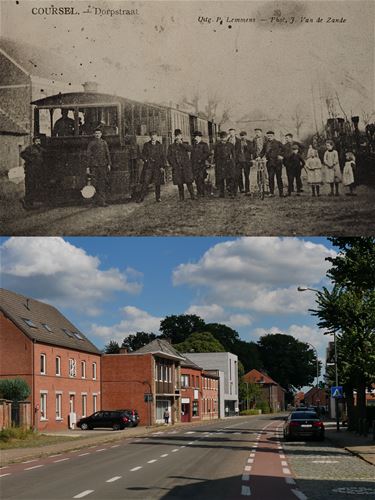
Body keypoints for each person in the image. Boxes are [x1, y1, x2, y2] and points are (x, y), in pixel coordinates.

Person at [167, 129, 195, 201]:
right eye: (176, 135)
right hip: (177, 167)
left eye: (179, 135)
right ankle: (181, 197)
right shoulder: (171, 146)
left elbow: (191, 149)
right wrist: (174, 164)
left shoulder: (185, 144)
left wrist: (181, 143)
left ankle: (193, 196)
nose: (178, 137)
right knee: (180, 183)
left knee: (189, 182)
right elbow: (169, 156)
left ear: (181, 136)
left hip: (186, 167)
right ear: (175, 136)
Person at [86, 128, 111, 207]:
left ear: (101, 134)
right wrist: (87, 167)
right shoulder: (91, 143)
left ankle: (102, 201)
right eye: (96, 133)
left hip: (103, 165)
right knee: (94, 183)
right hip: (94, 166)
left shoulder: (104, 143)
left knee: (102, 183)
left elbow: (107, 154)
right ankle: (93, 202)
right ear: (94, 134)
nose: (97, 134)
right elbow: (88, 155)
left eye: (99, 133)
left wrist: (109, 164)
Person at [20, 136, 46, 209]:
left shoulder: (40, 149)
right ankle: (27, 201)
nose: (38, 143)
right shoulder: (30, 148)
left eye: (39, 141)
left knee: (34, 185)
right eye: (37, 141)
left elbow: (46, 153)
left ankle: (31, 202)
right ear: (34, 142)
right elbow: (22, 154)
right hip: (30, 170)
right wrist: (30, 159)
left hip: (37, 170)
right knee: (30, 185)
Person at [139, 131, 165, 202]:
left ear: (156, 136)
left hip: (157, 166)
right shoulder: (146, 145)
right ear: (150, 137)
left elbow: (162, 157)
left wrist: (162, 166)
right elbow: (142, 155)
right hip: (149, 167)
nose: (153, 137)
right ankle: (141, 198)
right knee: (145, 182)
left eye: (154, 135)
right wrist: (146, 160)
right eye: (152, 136)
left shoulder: (160, 145)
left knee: (157, 183)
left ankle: (158, 198)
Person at [260, 131, 284, 197]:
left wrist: (281, 155)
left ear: (273, 136)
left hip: (277, 163)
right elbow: (262, 152)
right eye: (268, 136)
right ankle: (271, 192)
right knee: (270, 178)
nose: (269, 137)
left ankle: (281, 193)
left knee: (279, 177)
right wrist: (259, 157)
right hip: (270, 164)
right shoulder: (266, 144)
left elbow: (284, 150)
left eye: (270, 136)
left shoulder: (278, 143)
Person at [213, 131, 236, 197]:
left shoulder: (230, 145)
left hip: (229, 163)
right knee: (221, 178)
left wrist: (233, 162)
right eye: (222, 138)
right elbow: (215, 155)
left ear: (226, 137)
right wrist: (215, 163)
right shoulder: (217, 145)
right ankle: (221, 193)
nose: (223, 139)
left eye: (224, 137)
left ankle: (231, 192)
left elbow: (233, 155)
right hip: (220, 164)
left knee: (230, 178)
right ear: (220, 138)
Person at [191, 131, 210, 197]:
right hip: (195, 164)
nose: (195, 138)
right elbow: (192, 155)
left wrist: (201, 159)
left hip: (201, 164)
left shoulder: (204, 144)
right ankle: (199, 191)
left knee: (201, 178)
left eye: (196, 137)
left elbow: (207, 153)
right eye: (194, 137)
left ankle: (202, 192)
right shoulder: (194, 145)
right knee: (196, 178)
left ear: (199, 137)